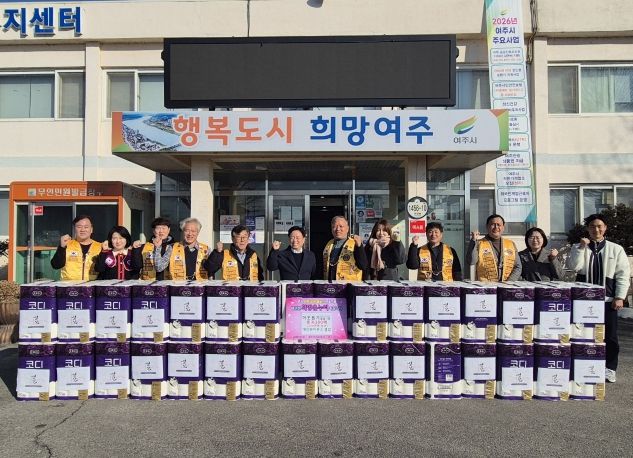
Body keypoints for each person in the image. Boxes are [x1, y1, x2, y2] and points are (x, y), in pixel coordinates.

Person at [569, 214, 630, 383]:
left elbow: (623, 274)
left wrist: (619, 297)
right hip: (584, 301)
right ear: (587, 229)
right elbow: (574, 267)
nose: (596, 229)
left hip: (607, 300)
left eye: (599, 226)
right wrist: (581, 248)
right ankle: (585, 366)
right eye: (592, 226)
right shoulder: (579, 246)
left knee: (610, 336)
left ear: (605, 228)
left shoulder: (616, 249)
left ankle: (610, 368)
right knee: (584, 334)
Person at [466, 214, 521, 282]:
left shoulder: (511, 244)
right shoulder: (479, 243)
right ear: (487, 227)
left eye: (498, 225)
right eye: (493, 224)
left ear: (503, 227)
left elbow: (518, 267)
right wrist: (473, 241)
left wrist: (509, 283)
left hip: (507, 285)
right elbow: (471, 261)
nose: (496, 227)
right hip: (486, 286)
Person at [50, 215, 102, 280]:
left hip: (92, 285)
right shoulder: (67, 245)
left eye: (86, 227)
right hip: (69, 285)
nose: (82, 230)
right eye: (79, 227)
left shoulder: (100, 247)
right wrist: (61, 247)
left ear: (91, 229)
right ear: (74, 229)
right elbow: (56, 265)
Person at [323, 216, 368, 281]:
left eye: (341, 226)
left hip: (350, 284)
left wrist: (359, 247)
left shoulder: (354, 244)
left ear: (347, 228)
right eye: (334, 226)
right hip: (331, 284)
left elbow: (363, 266)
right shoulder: (328, 244)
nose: (338, 229)